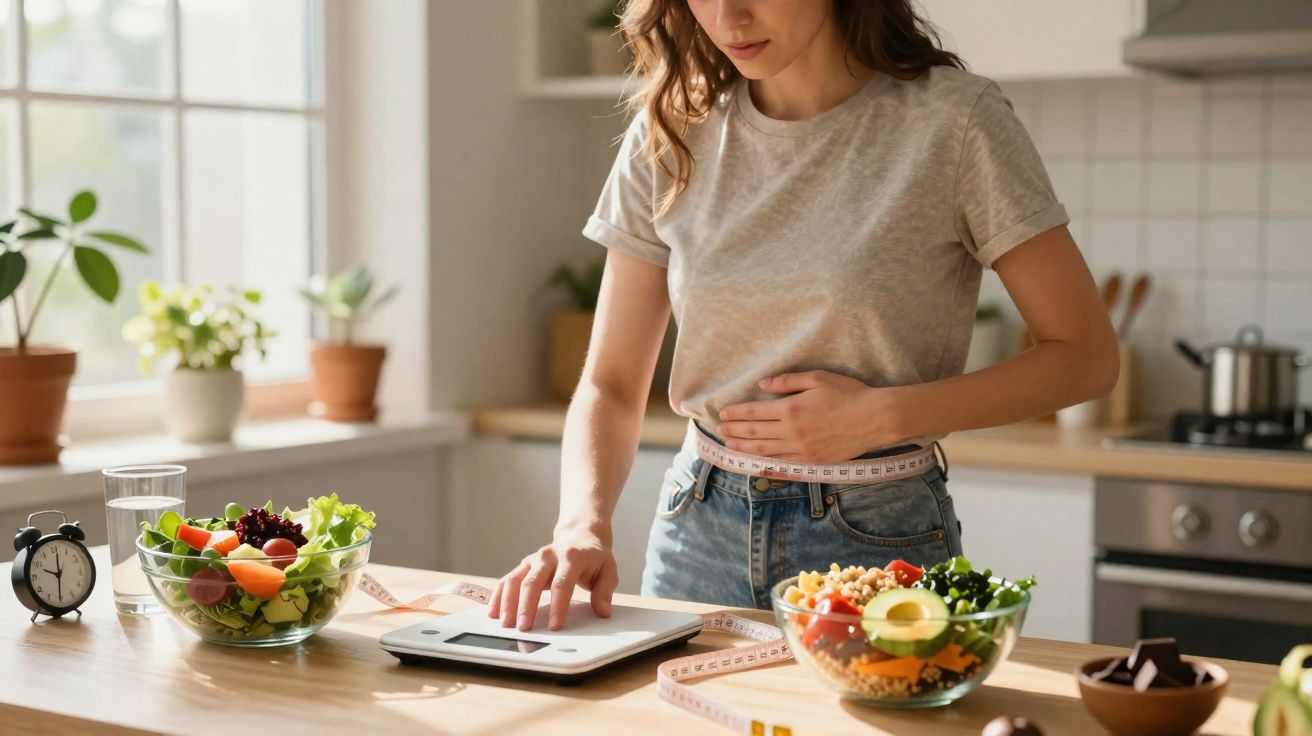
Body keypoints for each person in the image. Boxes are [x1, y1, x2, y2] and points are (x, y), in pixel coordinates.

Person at [488, 0, 1119, 632]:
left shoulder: (954, 121)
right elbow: (612, 382)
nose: (728, 17)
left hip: (874, 537)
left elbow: (1086, 358)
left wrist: (883, 416)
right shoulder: (673, 128)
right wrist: (583, 524)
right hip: (696, 533)